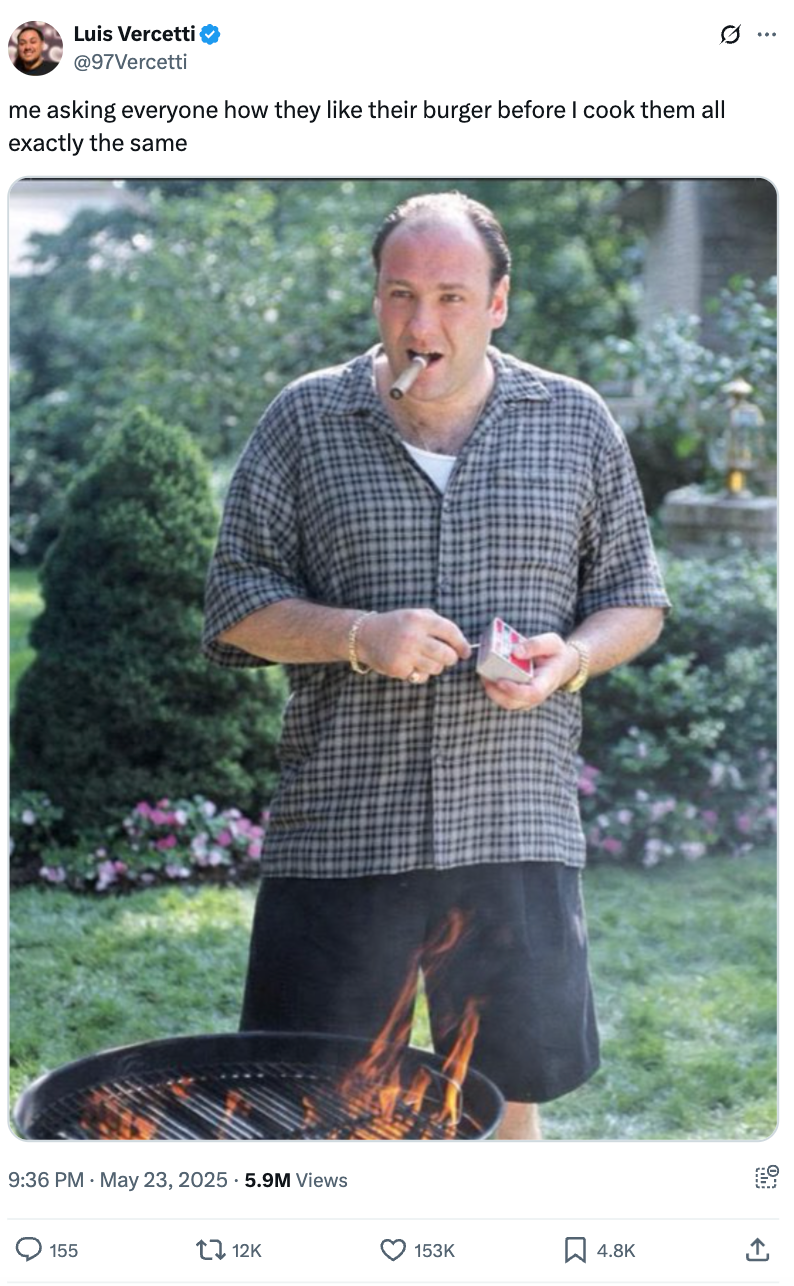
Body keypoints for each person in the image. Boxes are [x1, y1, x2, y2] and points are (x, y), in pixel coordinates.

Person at [203, 192, 670, 1140]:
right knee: (315, 1116)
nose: (423, 324)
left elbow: (638, 597)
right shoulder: (305, 421)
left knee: (503, 1108)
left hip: (515, 823)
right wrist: (357, 636)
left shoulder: (574, 423)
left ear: (499, 302)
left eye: (452, 297)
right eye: (399, 294)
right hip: (342, 825)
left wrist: (571, 657)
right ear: (376, 299)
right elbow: (235, 604)